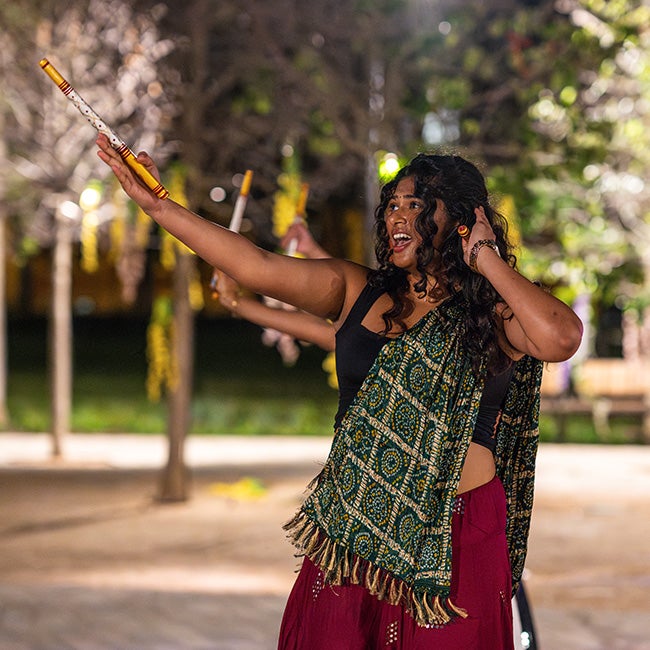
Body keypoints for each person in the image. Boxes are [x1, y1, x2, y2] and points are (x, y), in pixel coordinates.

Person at [96, 134, 583, 649]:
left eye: (414, 206)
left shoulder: (493, 313)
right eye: (391, 205)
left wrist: (485, 259)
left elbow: (561, 337)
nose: (396, 217)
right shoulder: (358, 289)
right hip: (355, 532)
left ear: (462, 218)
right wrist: (158, 205)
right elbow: (254, 265)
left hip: (456, 538)